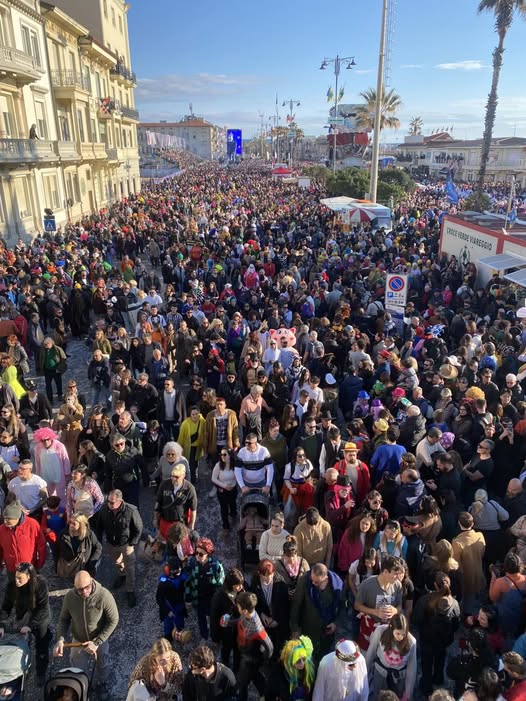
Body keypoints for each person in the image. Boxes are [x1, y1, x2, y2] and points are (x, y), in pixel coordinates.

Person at [54, 570, 119, 701]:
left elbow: (114, 620)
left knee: (102, 664)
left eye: (86, 587)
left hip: (98, 640)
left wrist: (97, 642)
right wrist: (60, 639)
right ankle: (82, 686)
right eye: (79, 589)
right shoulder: (70, 597)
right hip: (78, 640)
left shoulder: (104, 596)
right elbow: (64, 619)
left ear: (91, 581)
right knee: (77, 670)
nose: (84, 592)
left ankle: (102, 684)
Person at [0, 562, 52, 684]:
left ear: (29, 577)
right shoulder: (12, 585)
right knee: (20, 639)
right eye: (16, 577)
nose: (17, 581)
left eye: (20, 578)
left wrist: (30, 625)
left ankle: (41, 672)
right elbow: (6, 606)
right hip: (24, 611)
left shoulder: (41, 584)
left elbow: (43, 608)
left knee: (41, 645)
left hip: (40, 615)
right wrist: (1, 624)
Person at [412, 571, 461, 697]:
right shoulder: (454, 603)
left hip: (427, 640)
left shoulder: (424, 601)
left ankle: (426, 687)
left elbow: (416, 619)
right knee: (440, 660)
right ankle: (439, 679)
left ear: (435, 585)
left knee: (426, 664)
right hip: (444, 641)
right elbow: (457, 624)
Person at [95, 489, 143, 608]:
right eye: (108, 501)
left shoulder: (131, 510)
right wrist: (99, 543)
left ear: (120, 501)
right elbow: (99, 527)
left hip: (126, 544)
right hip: (111, 544)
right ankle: (122, 575)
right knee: (117, 562)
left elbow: (138, 528)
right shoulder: (104, 510)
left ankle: (130, 590)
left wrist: (132, 543)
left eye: (112, 502)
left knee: (130, 567)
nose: (109, 504)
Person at [290, 562, 343, 663]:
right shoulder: (305, 581)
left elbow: (342, 607)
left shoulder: (337, 585)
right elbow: (296, 605)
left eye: (317, 582)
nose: (313, 584)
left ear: (326, 579)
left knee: (323, 659)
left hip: (327, 631)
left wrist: (336, 623)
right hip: (308, 628)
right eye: (312, 580)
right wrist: (295, 628)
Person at [229, 590, 273, 701]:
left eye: (238, 607)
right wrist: (229, 622)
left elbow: (269, 647)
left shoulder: (257, 629)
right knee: (255, 676)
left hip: (250, 659)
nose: (237, 608)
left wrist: (262, 660)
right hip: (244, 653)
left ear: (244, 610)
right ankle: (265, 693)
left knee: (242, 682)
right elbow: (240, 621)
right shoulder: (246, 614)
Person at [354, 555, 404, 651]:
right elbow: (357, 605)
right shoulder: (367, 584)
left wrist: (395, 610)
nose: (398, 578)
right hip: (368, 628)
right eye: (395, 574)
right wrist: (375, 612)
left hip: (387, 630)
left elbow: (400, 606)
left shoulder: (397, 585)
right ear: (385, 572)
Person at [365, 613, 417, 701]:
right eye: (398, 633)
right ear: (391, 627)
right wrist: (365, 675)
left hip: (398, 677)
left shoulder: (411, 642)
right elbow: (371, 652)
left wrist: (408, 692)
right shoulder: (380, 631)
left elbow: (412, 668)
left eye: (403, 634)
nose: (401, 637)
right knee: (377, 696)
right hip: (380, 672)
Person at [184, 537, 224, 640]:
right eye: (196, 553)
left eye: (201, 554)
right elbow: (188, 582)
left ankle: (215, 637)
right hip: (199, 598)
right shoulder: (192, 564)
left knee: (214, 618)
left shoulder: (216, 565)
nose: (197, 556)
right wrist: (188, 599)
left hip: (212, 598)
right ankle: (204, 636)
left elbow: (221, 583)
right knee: (201, 619)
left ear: (208, 554)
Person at [250, 558, 289, 654]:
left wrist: (277, 620)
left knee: (278, 647)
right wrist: (261, 614)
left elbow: (285, 606)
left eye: (271, 576)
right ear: (259, 574)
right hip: (263, 622)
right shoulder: (255, 583)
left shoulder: (281, 584)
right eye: (265, 577)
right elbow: (254, 603)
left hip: (278, 622)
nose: (268, 580)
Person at [452, 511, 486, 614]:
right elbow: (482, 552)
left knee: (467, 604)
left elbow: (456, 564)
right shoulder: (480, 536)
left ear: (459, 523)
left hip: (466, 579)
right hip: (479, 574)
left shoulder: (457, 542)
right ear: (472, 524)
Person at [265, 635, 316, 701]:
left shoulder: (309, 669)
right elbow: (269, 694)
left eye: (304, 659)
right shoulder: (278, 673)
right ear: (290, 661)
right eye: (298, 661)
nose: (302, 663)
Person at [154, 463, 198, 537]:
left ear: (183, 475)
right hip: (164, 521)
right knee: (162, 542)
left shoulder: (189, 489)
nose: (174, 479)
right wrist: (155, 518)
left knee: (176, 545)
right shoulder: (164, 484)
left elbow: (193, 510)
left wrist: (191, 526)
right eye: (172, 476)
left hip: (179, 524)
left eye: (176, 477)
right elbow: (158, 502)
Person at [57, 513, 102, 579]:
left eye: (74, 523)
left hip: (85, 567)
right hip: (70, 566)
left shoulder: (89, 534)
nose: (71, 525)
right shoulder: (63, 534)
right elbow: (58, 550)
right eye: (70, 522)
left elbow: (98, 547)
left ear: (81, 525)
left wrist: (92, 562)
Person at [33, 426, 70, 502]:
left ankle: (63, 509)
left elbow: (65, 460)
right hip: (45, 474)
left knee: (61, 493)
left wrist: (67, 473)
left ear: (51, 437)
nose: (45, 442)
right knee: (49, 493)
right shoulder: (38, 448)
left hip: (59, 474)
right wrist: (38, 474)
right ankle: (53, 507)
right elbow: (37, 462)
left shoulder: (59, 446)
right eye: (43, 440)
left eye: (47, 439)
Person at [211, 448, 238, 531]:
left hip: (233, 490)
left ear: (230, 455)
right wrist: (225, 486)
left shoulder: (235, 465)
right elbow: (213, 478)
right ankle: (225, 526)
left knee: (233, 504)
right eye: (221, 455)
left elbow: (238, 476)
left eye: (225, 454)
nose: (222, 456)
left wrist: (233, 485)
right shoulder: (218, 465)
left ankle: (234, 516)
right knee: (224, 509)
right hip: (222, 491)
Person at [178, 406, 206, 482]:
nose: (194, 416)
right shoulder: (185, 423)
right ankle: (191, 479)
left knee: (196, 463)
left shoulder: (202, 421)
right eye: (193, 414)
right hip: (188, 447)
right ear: (190, 414)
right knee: (190, 464)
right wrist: (179, 449)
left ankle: (193, 477)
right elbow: (181, 437)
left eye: (196, 414)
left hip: (198, 447)